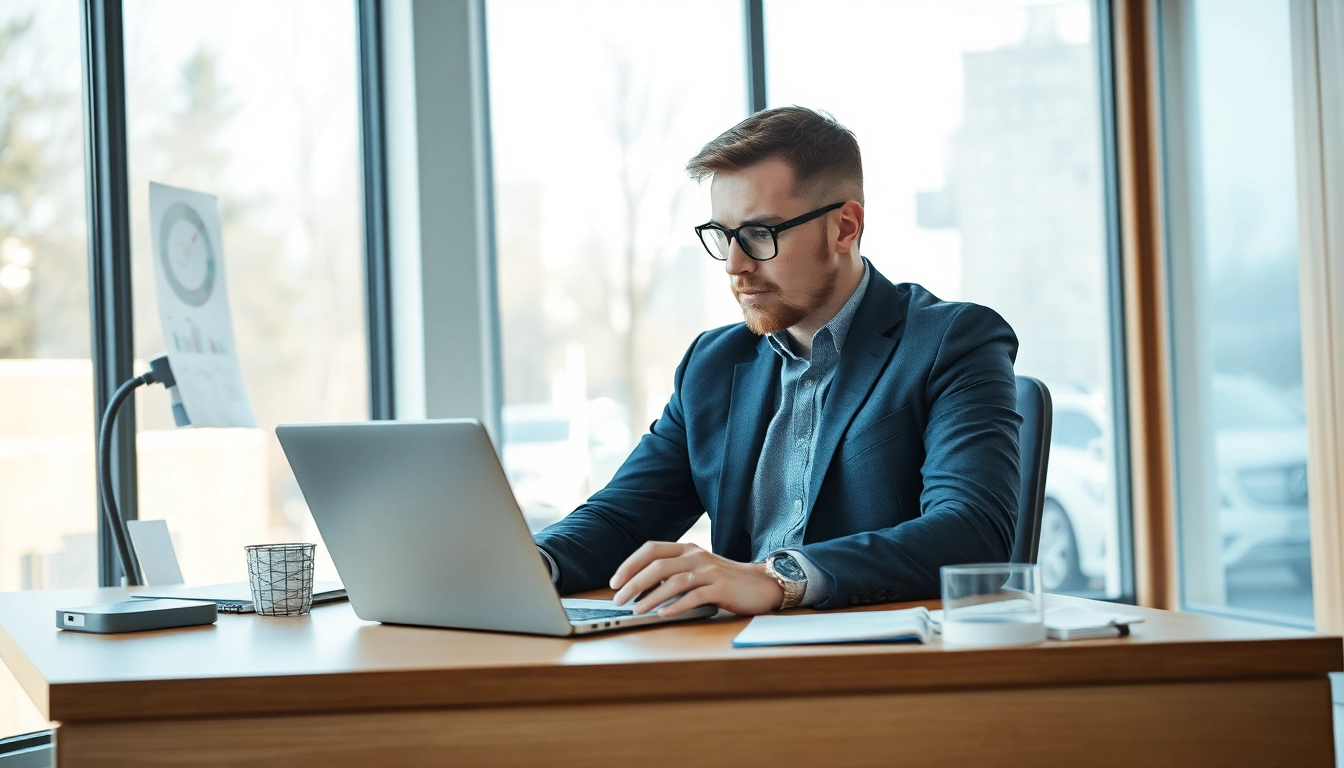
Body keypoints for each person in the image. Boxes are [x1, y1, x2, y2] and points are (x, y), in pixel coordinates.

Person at [534, 106, 1021, 618]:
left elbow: (973, 528)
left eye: (760, 234)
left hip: (880, 658)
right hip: (737, 654)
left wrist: (775, 577)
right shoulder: (713, 363)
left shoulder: (951, 340)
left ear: (844, 227)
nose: (735, 265)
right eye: (723, 235)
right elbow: (622, 519)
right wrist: (531, 565)